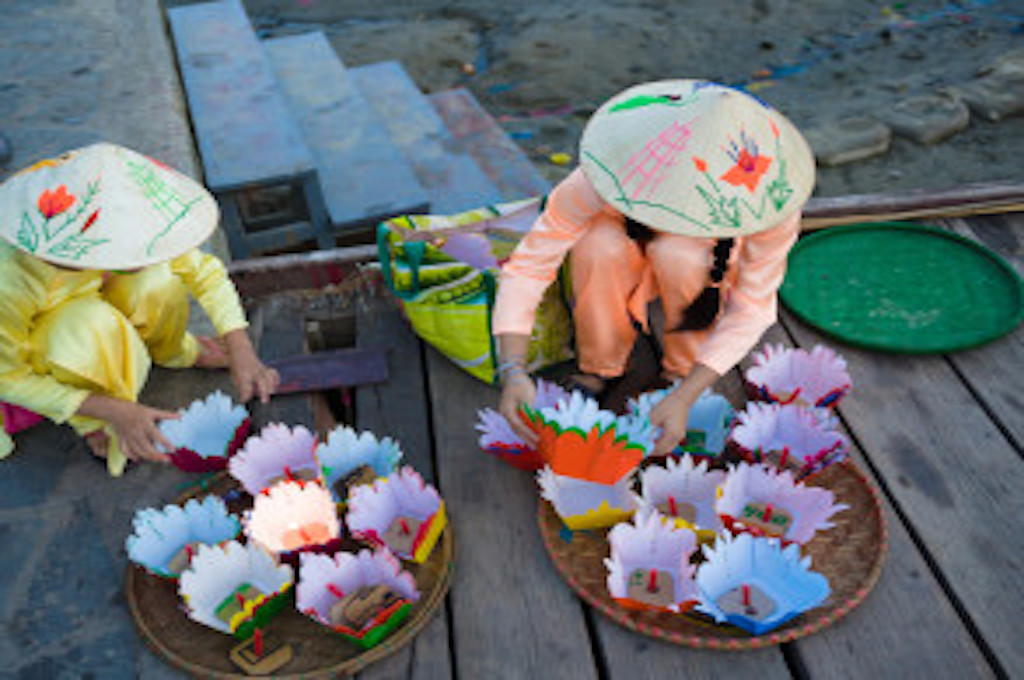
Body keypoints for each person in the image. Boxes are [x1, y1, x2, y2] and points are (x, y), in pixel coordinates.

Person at [492, 80, 815, 456]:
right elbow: (530, 264)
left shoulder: (769, 205)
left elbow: (752, 308)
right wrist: (512, 369)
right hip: (623, 236)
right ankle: (601, 365)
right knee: (597, 245)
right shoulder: (607, 174)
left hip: (704, 259)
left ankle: (679, 372)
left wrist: (688, 391)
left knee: (681, 255)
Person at [0, 142, 280, 475]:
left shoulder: (113, 226)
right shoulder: (10, 280)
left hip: (87, 293)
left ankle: (171, 351)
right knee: (86, 327)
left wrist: (240, 347)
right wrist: (113, 409)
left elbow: (203, 272)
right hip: (31, 345)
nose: (145, 251)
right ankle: (94, 422)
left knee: (155, 278)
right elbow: (8, 378)